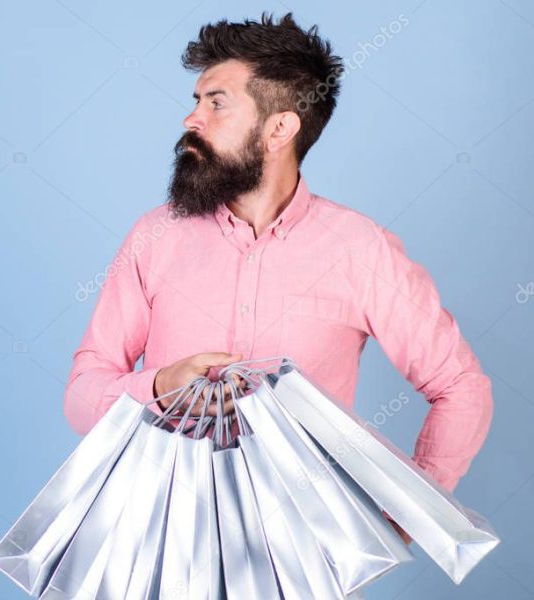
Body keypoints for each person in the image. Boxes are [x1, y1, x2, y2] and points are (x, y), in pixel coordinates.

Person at [63, 12, 493, 558]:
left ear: (279, 128)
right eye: (197, 100)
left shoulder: (361, 249)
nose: (191, 118)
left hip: (307, 564)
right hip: (159, 556)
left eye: (216, 102)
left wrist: (409, 505)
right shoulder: (155, 236)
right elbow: (82, 399)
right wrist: (160, 385)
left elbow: (461, 386)